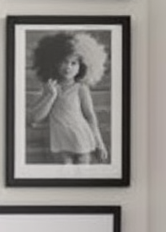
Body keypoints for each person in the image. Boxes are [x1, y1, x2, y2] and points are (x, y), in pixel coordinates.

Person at [29, 30, 108, 165]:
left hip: (82, 137)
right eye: (64, 62)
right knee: (65, 174)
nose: (68, 67)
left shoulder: (81, 88)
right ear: (55, 63)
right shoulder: (49, 88)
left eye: (73, 63)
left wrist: (99, 142)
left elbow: (90, 116)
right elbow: (36, 117)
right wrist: (51, 95)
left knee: (83, 176)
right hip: (60, 140)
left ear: (81, 67)